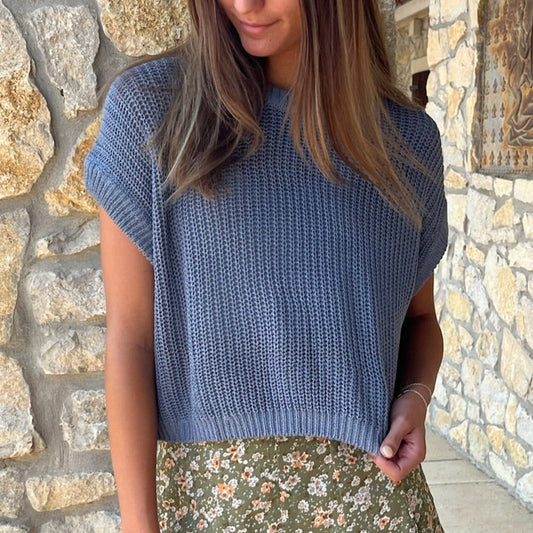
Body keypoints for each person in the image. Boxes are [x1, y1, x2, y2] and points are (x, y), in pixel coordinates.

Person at [84, 0, 448, 531]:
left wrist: (414, 397)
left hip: (373, 504)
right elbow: (130, 340)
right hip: (210, 506)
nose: (244, 5)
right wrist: (138, 525)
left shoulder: (406, 143)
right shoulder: (152, 112)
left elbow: (421, 320)